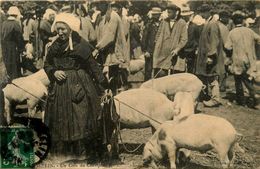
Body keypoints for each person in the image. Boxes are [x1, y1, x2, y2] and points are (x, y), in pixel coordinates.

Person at [44, 13, 107, 160]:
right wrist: (54, 72)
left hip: (79, 86)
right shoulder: (55, 45)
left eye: (63, 29)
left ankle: (82, 153)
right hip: (59, 88)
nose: (60, 32)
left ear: (70, 29)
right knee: (60, 119)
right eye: (58, 29)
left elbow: (93, 66)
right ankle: (65, 153)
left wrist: (103, 85)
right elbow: (47, 64)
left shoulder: (81, 44)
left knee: (81, 117)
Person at [225, 11, 260, 108]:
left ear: (233, 21)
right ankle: (251, 98)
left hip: (238, 60)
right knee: (249, 78)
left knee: (239, 80)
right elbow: (258, 39)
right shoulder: (249, 31)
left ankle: (243, 100)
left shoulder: (232, 33)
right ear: (243, 20)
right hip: (250, 59)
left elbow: (228, 47)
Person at [93, 2, 128, 94]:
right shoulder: (99, 16)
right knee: (103, 79)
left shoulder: (113, 16)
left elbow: (110, 37)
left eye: (101, 3)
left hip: (113, 52)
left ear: (106, 4)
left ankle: (113, 100)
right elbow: (95, 34)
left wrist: (97, 48)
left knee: (113, 78)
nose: (98, 6)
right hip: (103, 52)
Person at [195, 4, 224, 107]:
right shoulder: (207, 23)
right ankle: (204, 96)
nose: (201, 15)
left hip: (209, 56)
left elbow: (214, 41)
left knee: (212, 77)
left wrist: (211, 56)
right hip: (203, 55)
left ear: (207, 12)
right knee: (203, 75)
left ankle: (215, 99)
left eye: (202, 12)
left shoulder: (213, 24)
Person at [153, 4, 188, 77]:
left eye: (170, 12)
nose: (168, 14)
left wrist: (177, 49)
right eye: (167, 12)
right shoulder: (164, 22)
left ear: (176, 12)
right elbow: (158, 35)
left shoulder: (182, 23)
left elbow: (184, 39)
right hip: (163, 54)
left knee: (175, 76)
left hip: (175, 54)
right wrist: (157, 46)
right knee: (161, 74)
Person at [1, 6, 24, 80]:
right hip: (13, 47)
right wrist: (21, 49)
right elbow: (19, 38)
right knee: (14, 64)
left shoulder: (4, 23)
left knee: (7, 63)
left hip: (4, 46)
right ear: (16, 15)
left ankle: (8, 79)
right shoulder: (16, 24)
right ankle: (14, 79)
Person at [142, 7, 162, 80]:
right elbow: (144, 38)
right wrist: (145, 50)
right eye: (154, 14)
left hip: (158, 50)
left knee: (158, 69)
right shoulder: (149, 25)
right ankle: (146, 86)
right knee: (148, 69)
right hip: (149, 50)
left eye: (157, 15)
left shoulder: (162, 24)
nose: (156, 16)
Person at [179, 5, 200, 74]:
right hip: (181, 52)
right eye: (183, 16)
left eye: (187, 15)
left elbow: (197, 39)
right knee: (180, 71)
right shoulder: (179, 26)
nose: (185, 17)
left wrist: (194, 48)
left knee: (191, 71)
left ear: (190, 16)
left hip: (191, 53)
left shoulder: (195, 26)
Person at [218, 10, 231, 92]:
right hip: (222, 52)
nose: (228, 19)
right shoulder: (223, 27)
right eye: (227, 17)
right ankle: (222, 86)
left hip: (216, 50)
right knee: (223, 69)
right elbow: (227, 43)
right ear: (222, 18)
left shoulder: (216, 24)